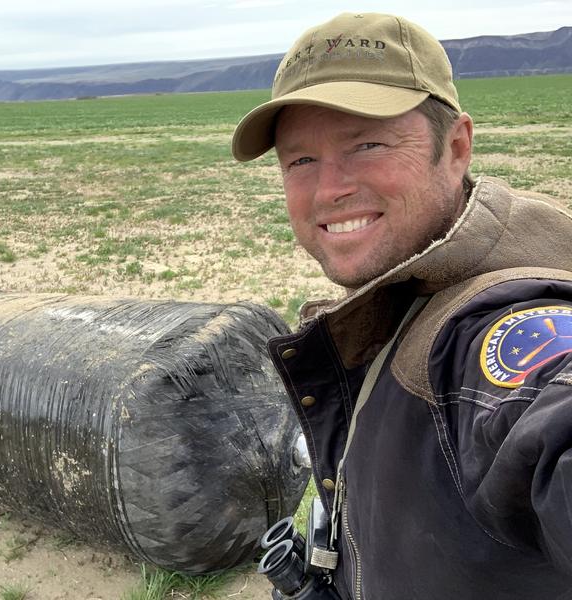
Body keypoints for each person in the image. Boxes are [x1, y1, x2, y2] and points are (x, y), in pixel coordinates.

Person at [232, 12, 572, 600]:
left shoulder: (495, 327)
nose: (328, 188)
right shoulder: (405, 288)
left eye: (367, 144)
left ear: (457, 146)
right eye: (300, 161)